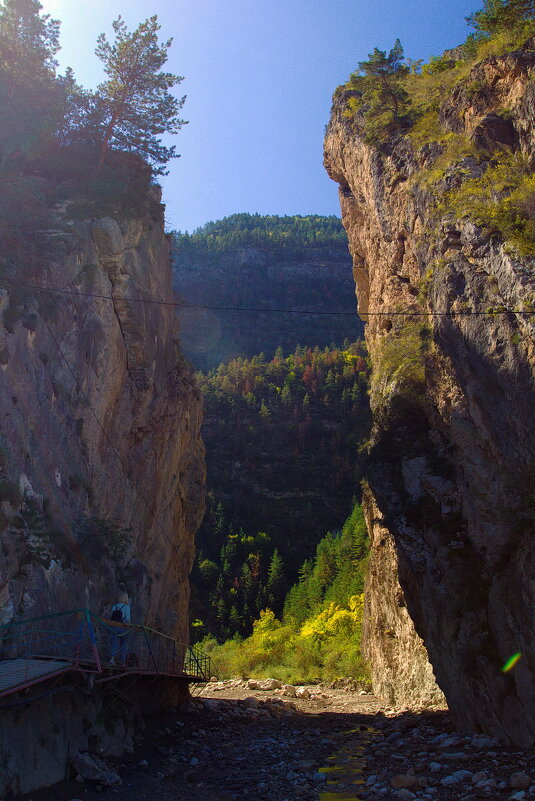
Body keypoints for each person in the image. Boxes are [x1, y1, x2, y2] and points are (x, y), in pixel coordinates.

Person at [109, 592, 131, 665]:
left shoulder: (114, 606)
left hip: (114, 627)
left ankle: (112, 660)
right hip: (123, 628)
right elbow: (127, 619)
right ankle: (123, 662)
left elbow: (111, 617)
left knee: (114, 643)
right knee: (124, 644)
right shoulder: (126, 607)